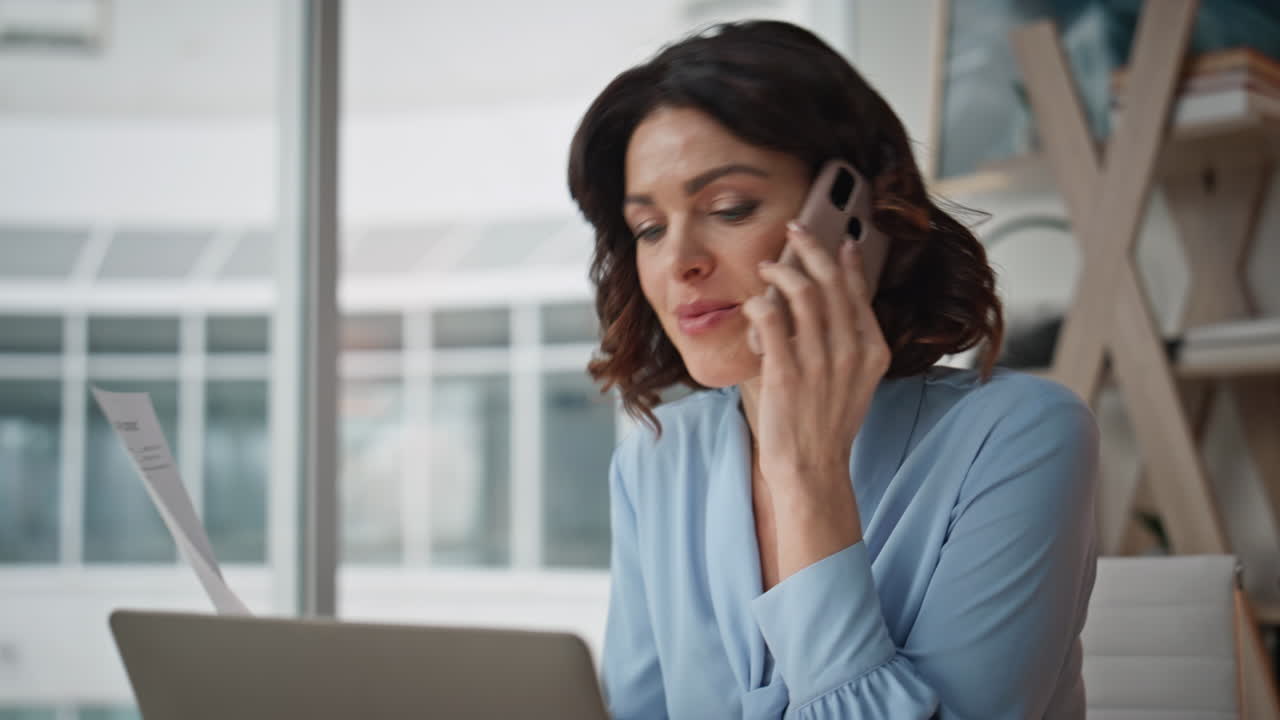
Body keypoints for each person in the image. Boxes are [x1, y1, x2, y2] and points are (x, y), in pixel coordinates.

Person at [566, 20, 1098, 720]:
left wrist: (808, 475)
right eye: (649, 228)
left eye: (729, 208)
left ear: (855, 217)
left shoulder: (1021, 435)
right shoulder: (657, 463)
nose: (678, 261)